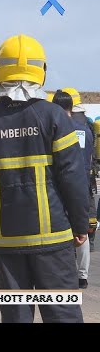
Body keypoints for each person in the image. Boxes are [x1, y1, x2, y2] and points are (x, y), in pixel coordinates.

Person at [0, 34, 87, 323]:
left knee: (16, 316)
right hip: (53, 236)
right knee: (62, 314)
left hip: (7, 240)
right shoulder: (55, 117)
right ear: (41, 70)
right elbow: (73, 177)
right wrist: (81, 224)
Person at [52, 90, 94, 289]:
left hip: (62, 184)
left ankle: (61, 272)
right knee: (82, 228)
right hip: (84, 182)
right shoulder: (86, 129)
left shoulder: (58, 128)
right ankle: (82, 276)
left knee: (60, 228)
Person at [61, 87, 97, 251]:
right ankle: (89, 245)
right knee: (89, 215)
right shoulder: (88, 124)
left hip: (68, 177)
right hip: (86, 177)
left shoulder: (62, 124)